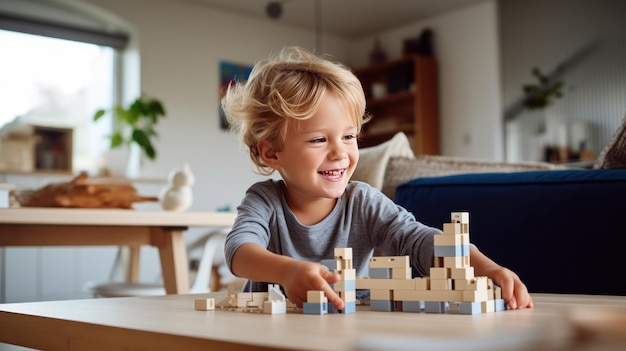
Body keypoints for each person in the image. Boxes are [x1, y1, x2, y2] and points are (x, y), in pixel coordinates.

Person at [221, 46, 533, 311]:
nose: (339, 153)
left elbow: (417, 239)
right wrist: (288, 272)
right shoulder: (265, 201)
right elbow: (239, 251)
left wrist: (485, 267)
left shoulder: (363, 202)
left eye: (348, 136)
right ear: (272, 153)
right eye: (319, 140)